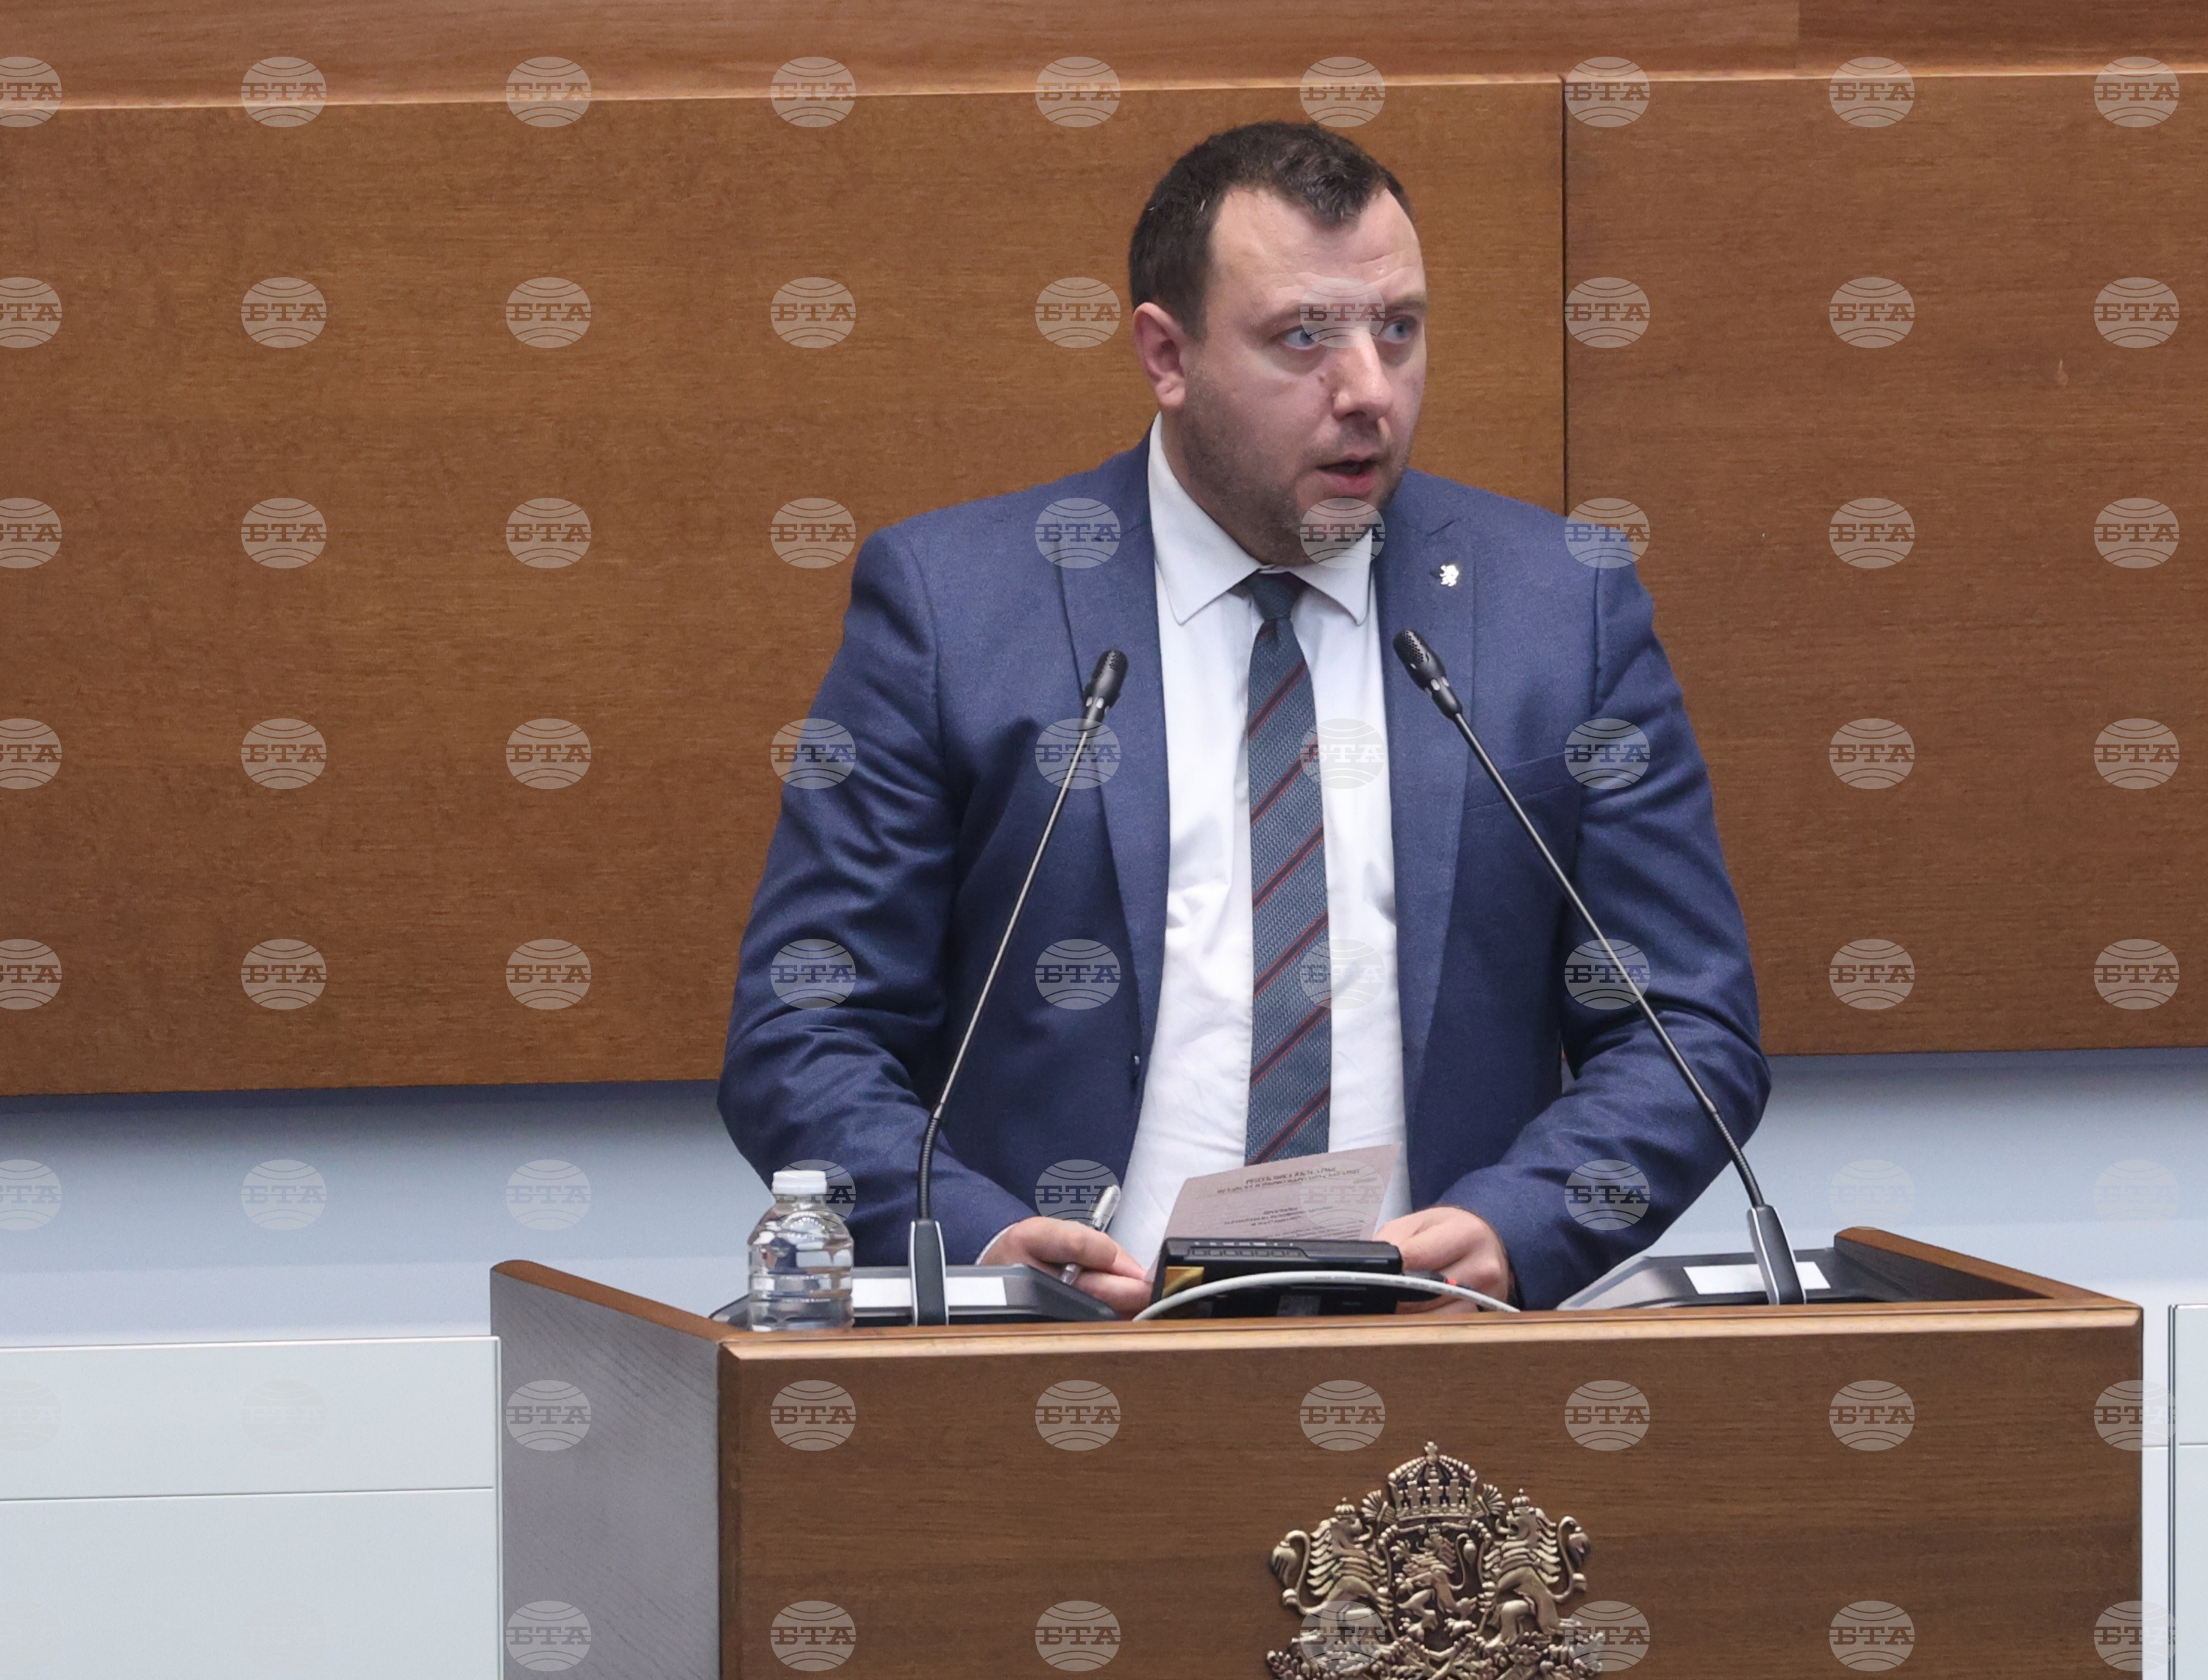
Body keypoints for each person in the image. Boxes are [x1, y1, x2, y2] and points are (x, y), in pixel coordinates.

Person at [720, 121, 1765, 1315]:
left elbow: (1685, 1029)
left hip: (1437, 1352)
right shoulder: (957, 608)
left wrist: (1521, 1225)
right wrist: (980, 1247)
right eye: (1303, 338)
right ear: (1167, 354)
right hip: (1063, 1359)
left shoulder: (1561, 609)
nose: (1368, 390)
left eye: (1399, 329)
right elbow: (807, 1030)